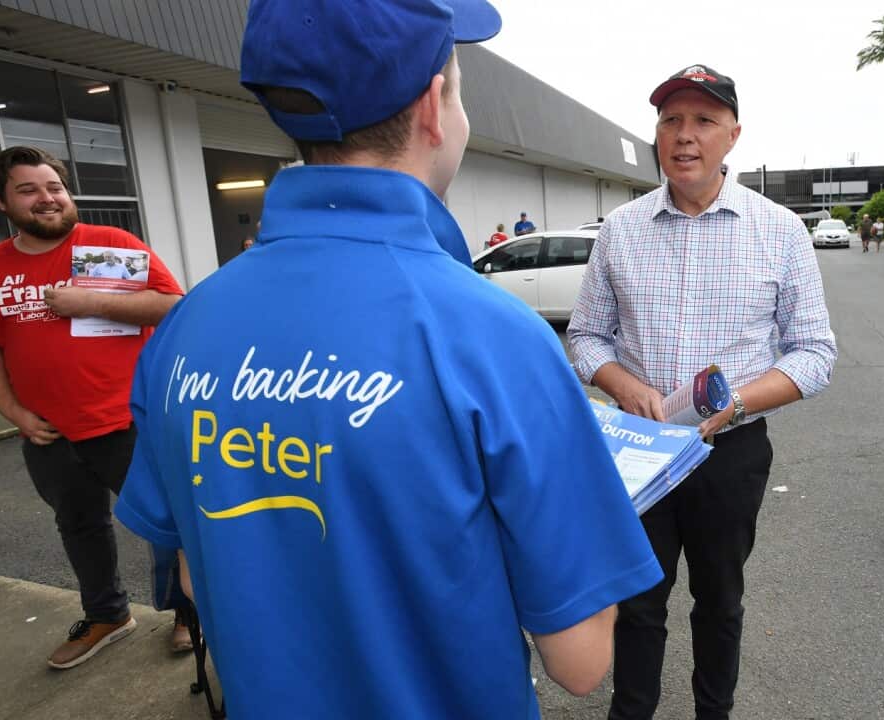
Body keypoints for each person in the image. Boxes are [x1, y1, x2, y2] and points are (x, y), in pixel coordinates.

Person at [112, 2, 662, 718]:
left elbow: (190, 572)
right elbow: (580, 661)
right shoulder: (496, 337)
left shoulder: (189, 323)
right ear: (436, 107)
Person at [569, 63, 837, 720]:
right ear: (657, 134)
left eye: (703, 121)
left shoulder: (778, 230)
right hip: (640, 450)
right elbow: (585, 338)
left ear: (733, 135)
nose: (684, 136)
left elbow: (815, 353)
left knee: (720, 602)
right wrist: (622, 382)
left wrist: (737, 403)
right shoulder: (621, 230)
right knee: (636, 603)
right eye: (671, 120)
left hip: (731, 453)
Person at [0, 145, 184, 668]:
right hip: (48, 432)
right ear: (1, 203)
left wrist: (92, 301)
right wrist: (12, 412)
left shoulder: (109, 244)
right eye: (28, 190)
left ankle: (186, 614)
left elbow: (174, 306)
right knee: (79, 526)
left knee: (166, 522)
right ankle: (107, 614)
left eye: (54, 187)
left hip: (129, 421)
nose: (47, 198)